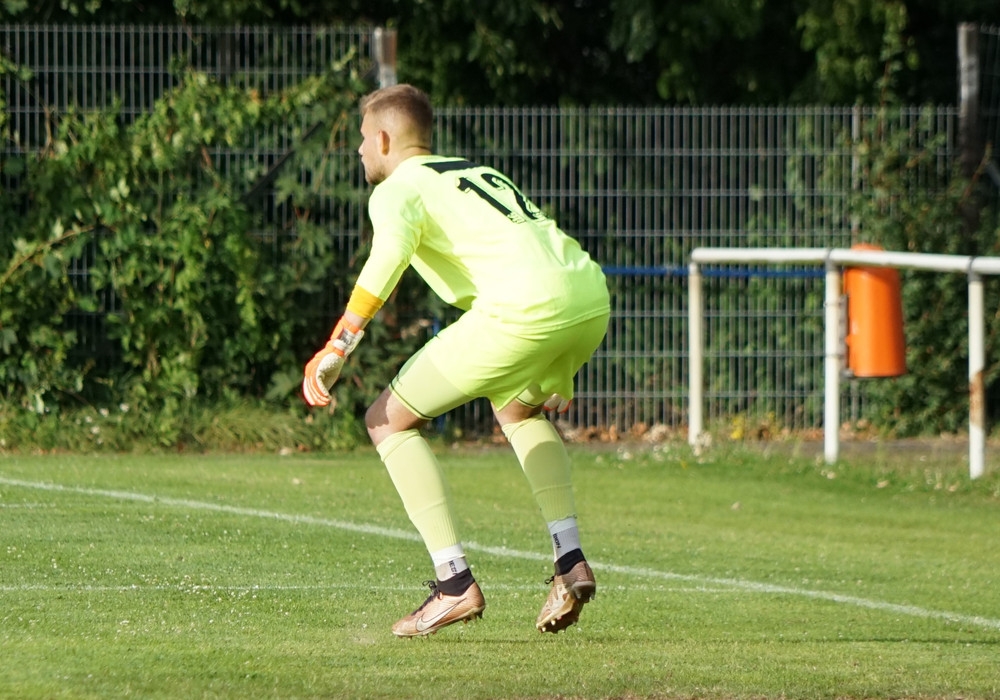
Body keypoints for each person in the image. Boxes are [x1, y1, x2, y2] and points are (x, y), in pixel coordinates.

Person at [302, 83, 610, 637]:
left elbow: (387, 259)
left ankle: (453, 584)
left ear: (384, 138)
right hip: (588, 297)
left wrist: (340, 342)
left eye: (360, 141)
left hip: (524, 310)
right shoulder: (475, 171)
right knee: (519, 412)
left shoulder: (397, 188)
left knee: (385, 420)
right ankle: (570, 561)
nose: (358, 152)